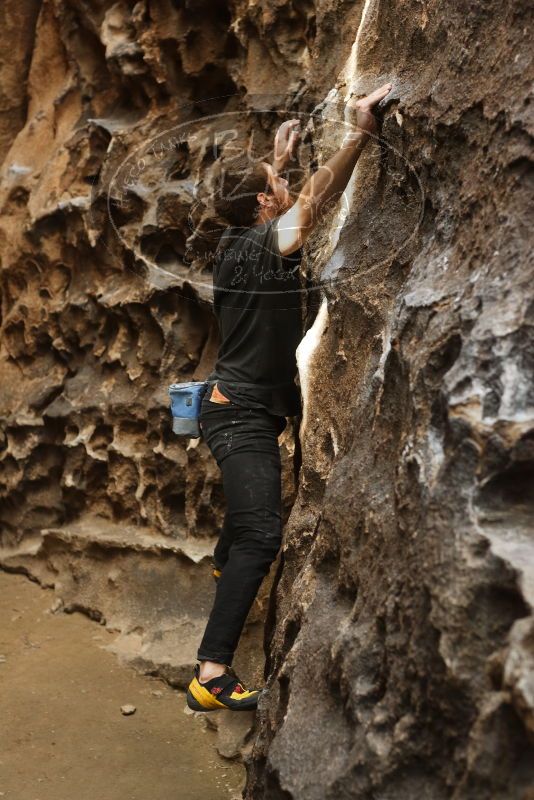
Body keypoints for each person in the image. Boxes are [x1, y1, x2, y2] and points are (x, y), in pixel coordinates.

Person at [186, 82, 393, 712]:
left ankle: (227, 569)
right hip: (240, 417)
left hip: (238, 406)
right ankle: (211, 675)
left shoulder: (236, 244)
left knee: (245, 530)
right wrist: (358, 134)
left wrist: (277, 160)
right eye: (271, 182)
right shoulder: (258, 243)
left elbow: (274, 201)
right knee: (261, 535)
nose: (280, 181)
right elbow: (306, 207)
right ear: (262, 205)